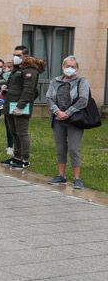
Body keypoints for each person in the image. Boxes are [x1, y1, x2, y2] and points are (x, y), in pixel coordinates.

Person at [47, 56, 90, 191]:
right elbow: (49, 97)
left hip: (74, 120)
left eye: (73, 67)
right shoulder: (55, 81)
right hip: (58, 119)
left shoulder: (82, 81)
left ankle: (77, 178)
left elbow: (83, 99)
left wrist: (68, 112)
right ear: (62, 66)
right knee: (60, 148)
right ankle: (61, 175)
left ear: (77, 68)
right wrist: (57, 111)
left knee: (73, 148)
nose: (70, 69)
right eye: (68, 66)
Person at [2, 45, 43, 170]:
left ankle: (24, 159)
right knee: (14, 132)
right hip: (11, 104)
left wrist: (21, 106)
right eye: (14, 54)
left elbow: (29, 90)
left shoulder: (30, 70)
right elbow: (14, 84)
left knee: (22, 133)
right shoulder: (17, 68)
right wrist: (5, 87)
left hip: (21, 106)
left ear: (25, 56)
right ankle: (17, 157)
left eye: (18, 55)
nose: (15, 57)